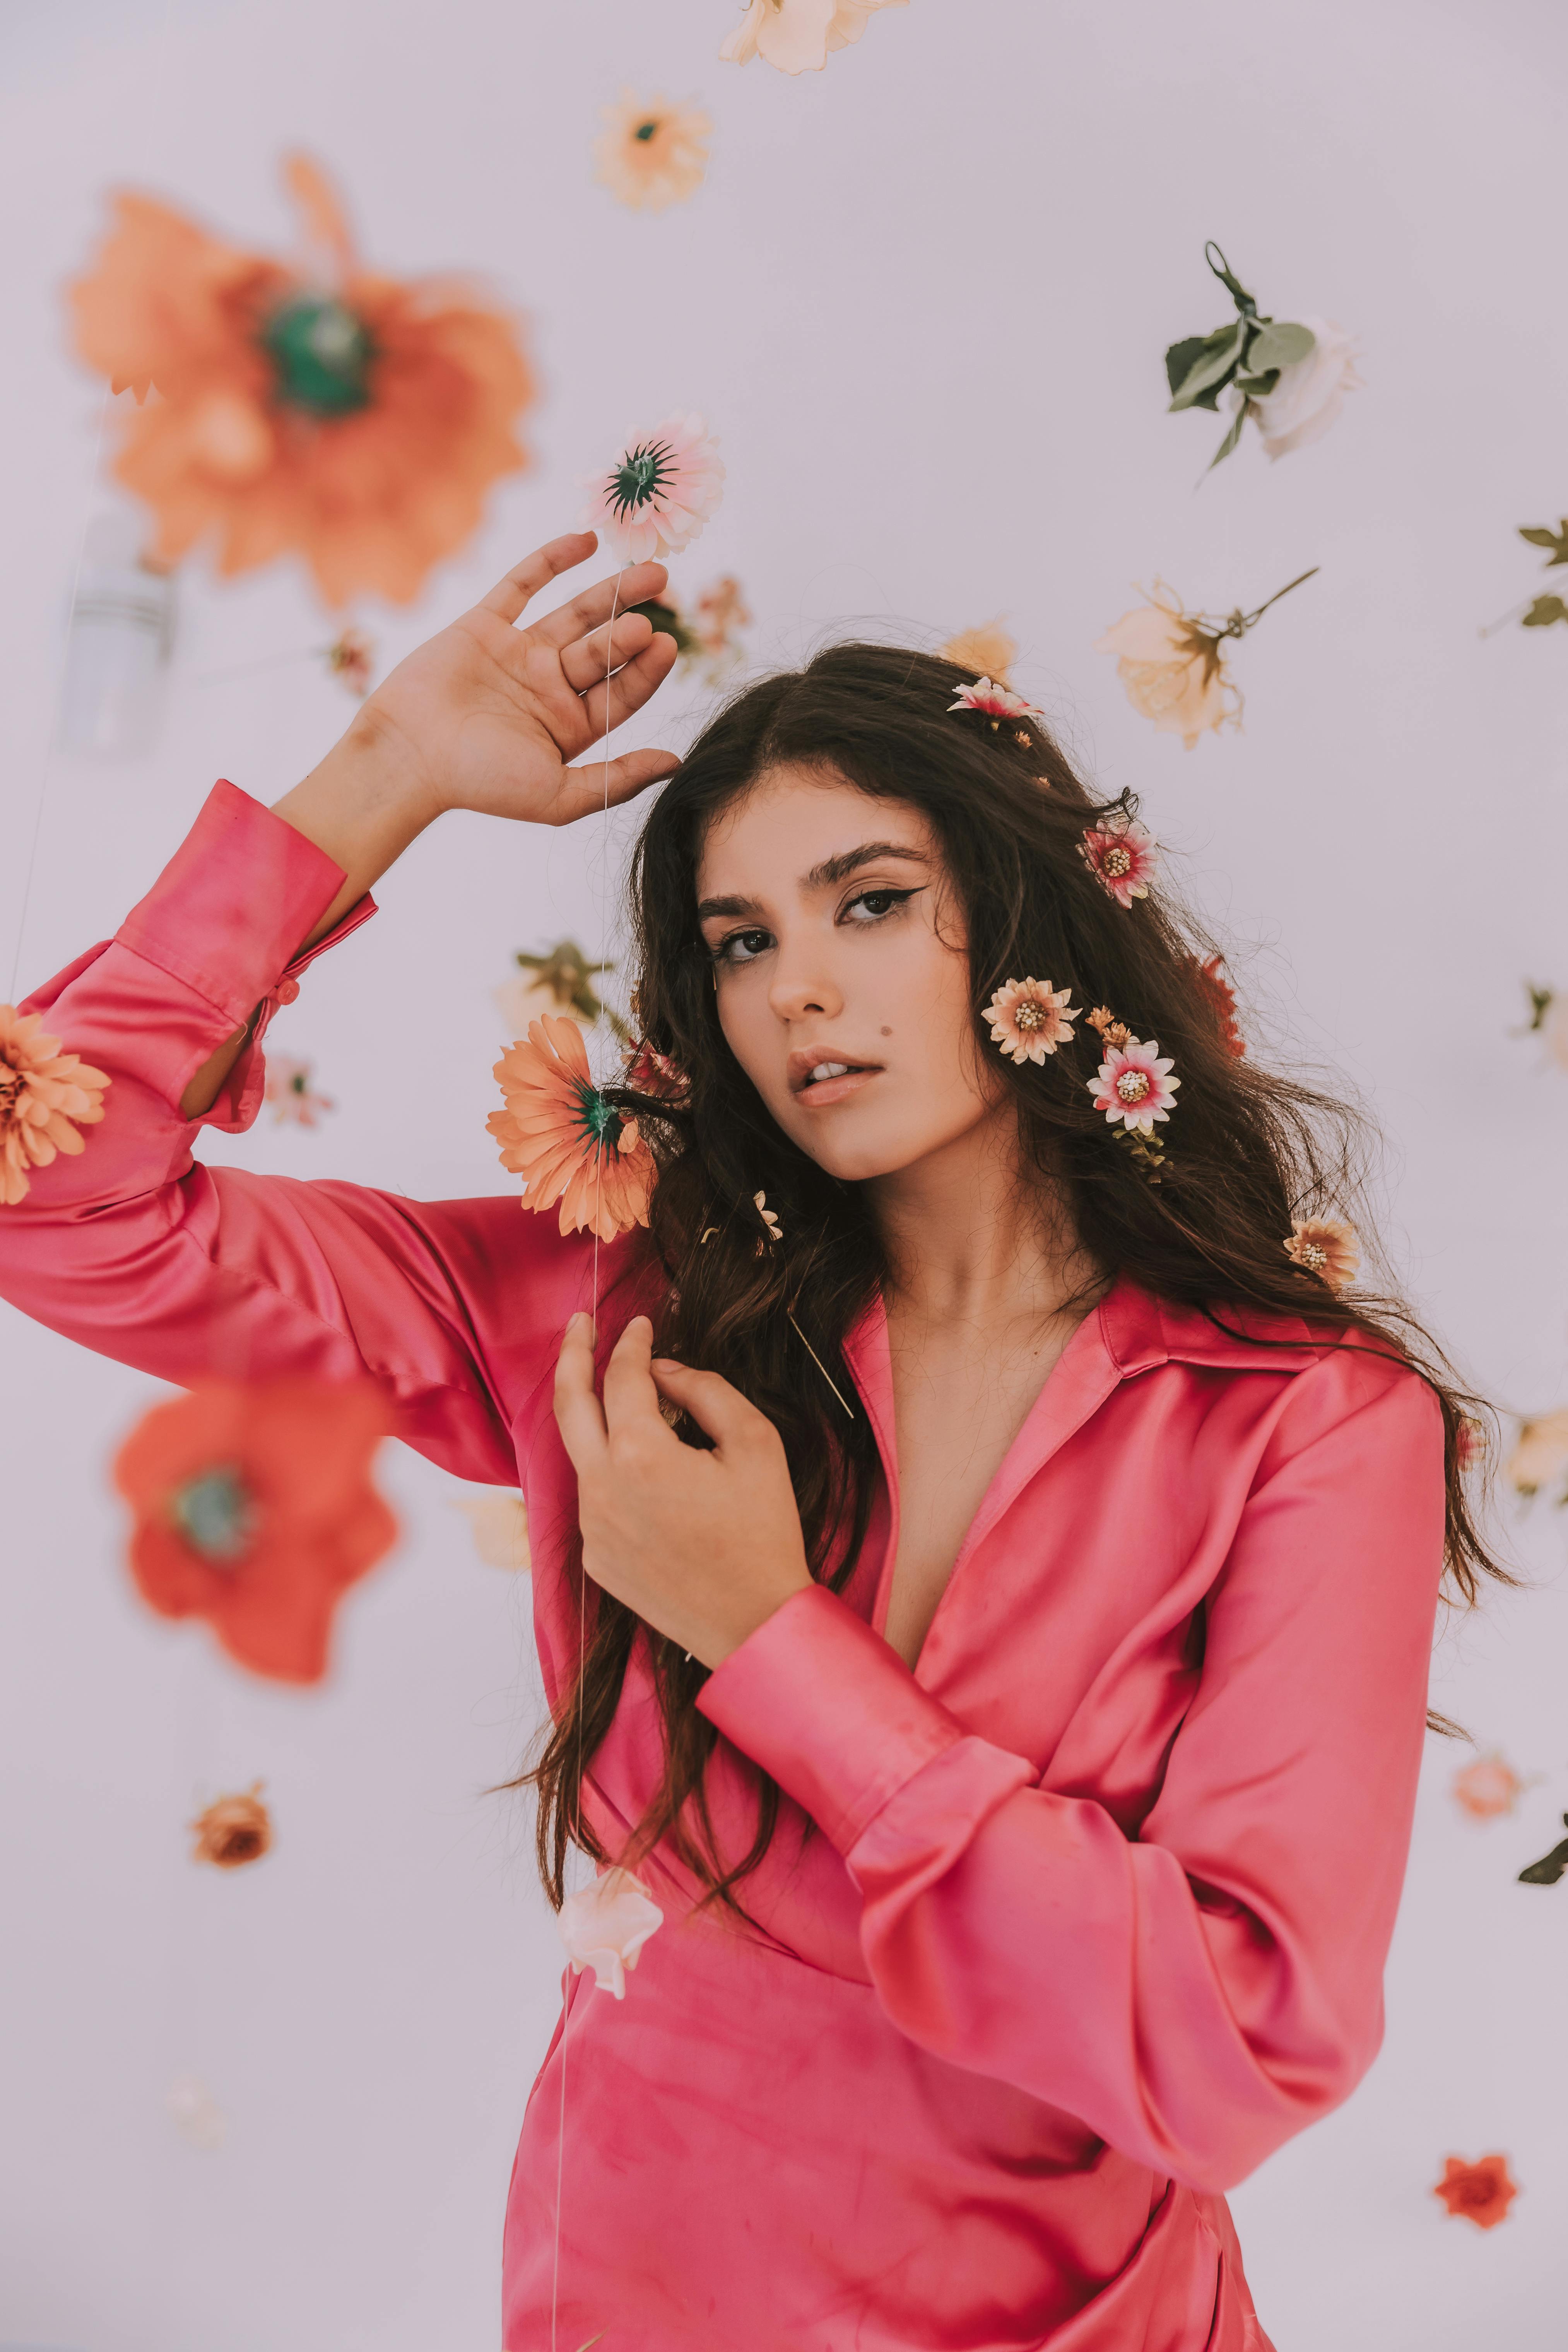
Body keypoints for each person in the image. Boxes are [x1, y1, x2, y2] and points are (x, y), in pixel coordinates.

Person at [0, 532, 1499, 2351]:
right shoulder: (612, 1319)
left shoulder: (1306, 1422)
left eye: (867, 900)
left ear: (1027, 921)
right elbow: (58, 1204)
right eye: (740, 938)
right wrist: (382, 774)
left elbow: (1242, 2054)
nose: (798, 985)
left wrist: (775, 1639)